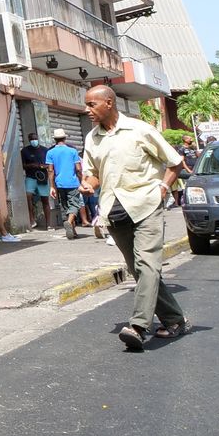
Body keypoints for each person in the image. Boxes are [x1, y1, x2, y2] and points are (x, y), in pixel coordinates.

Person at [81, 85, 189, 352]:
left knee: (148, 264)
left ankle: (139, 326)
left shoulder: (140, 130)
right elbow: (94, 173)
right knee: (138, 268)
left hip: (146, 206)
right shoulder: (92, 138)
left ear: (108, 103)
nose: (87, 110)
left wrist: (163, 189)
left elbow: (174, 161)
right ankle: (175, 319)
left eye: (91, 105)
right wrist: (89, 184)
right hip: (114, 211)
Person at [46, 129, 85, 239]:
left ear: (54, 139)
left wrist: (52, 187)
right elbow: (78, 169)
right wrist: (82, 181)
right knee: (74, 205)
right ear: (65, 138)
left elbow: (50, 171)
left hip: (59, 184)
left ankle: (73, 231)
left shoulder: (50, 152)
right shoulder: (72, 151)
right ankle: (69, 222)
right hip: (72, 182)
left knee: (66, 206)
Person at [20, 132, 54, 230]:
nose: (33, 141)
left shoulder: (45, 150)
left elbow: (50, 164)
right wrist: (32, 165)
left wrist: (43, 166)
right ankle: (31, 220)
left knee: (45, 200)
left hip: (42, 178)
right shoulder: (25, 151)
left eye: (35, 139)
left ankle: (48, 224)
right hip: (30, 177)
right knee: (28, 196)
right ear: (29, 140)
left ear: (37, 139)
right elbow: (23, 165)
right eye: (31, 139)